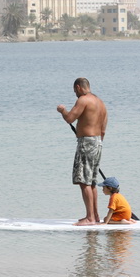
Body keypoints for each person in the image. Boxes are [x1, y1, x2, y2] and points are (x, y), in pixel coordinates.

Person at [57, 77, 108, 226]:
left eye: (75, 91)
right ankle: (95, 216)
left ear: (78, 87)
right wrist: (96, 142)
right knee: (91, 181)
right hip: (98, 142)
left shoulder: (83, 100)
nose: (75, 94)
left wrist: (62, 110)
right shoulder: (100, 103)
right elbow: (104, 128)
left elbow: (70, 118)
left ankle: (90, 218)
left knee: (83, 181)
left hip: (87, 142)